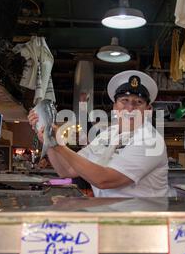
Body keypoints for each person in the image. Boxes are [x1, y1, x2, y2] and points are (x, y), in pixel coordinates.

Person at [28, 70, 169, 197]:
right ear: (115, 106)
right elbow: (67, 170)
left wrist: (59, 145)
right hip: (111, 216)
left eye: (138, 102)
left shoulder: (151, 141)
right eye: (124, 100)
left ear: (148, 109)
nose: (130, 108)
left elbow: (104, 180)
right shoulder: (107, 135)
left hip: (145, 220)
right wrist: (49, 140)